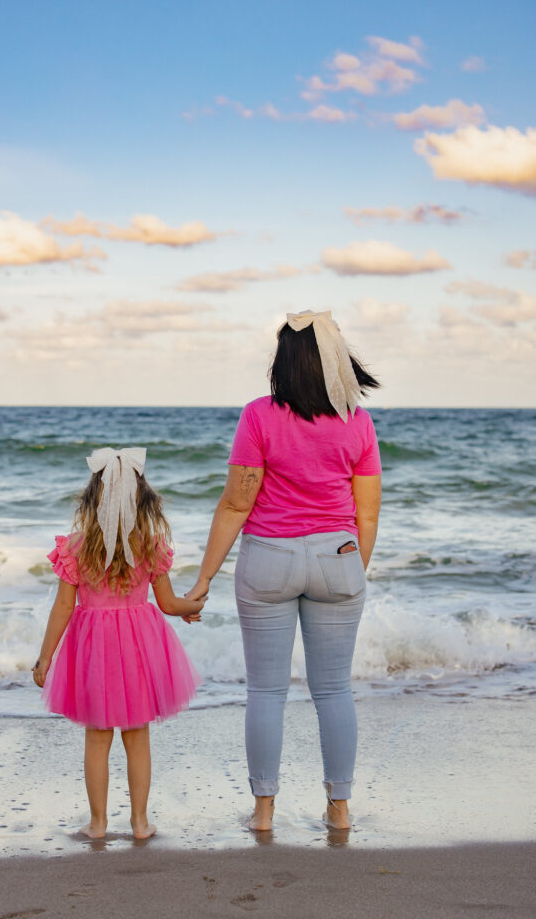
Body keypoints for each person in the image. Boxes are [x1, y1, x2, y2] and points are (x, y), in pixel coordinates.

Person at [186, 310, 382, 832]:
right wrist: (350, 571)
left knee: (267, 692)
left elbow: (235, 504)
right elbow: (366, 513)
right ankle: (338, 809)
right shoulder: (356, 422)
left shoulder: (258, 416)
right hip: (337, 558)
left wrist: (203, 578)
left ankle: (264, 812)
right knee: (334, 690)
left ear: (285, 361)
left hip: (268, 558)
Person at [33, 446, 205, 840]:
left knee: (96, 737)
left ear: (94, 499)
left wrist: (45, 657)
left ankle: (97, 824)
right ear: (141, 500)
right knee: (137, 736)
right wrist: (190, 607)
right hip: (139, 649)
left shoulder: (76, 548)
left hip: (92, 650)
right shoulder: (149, 546)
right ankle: (140, 824)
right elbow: (166, 603)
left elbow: (62, 607)